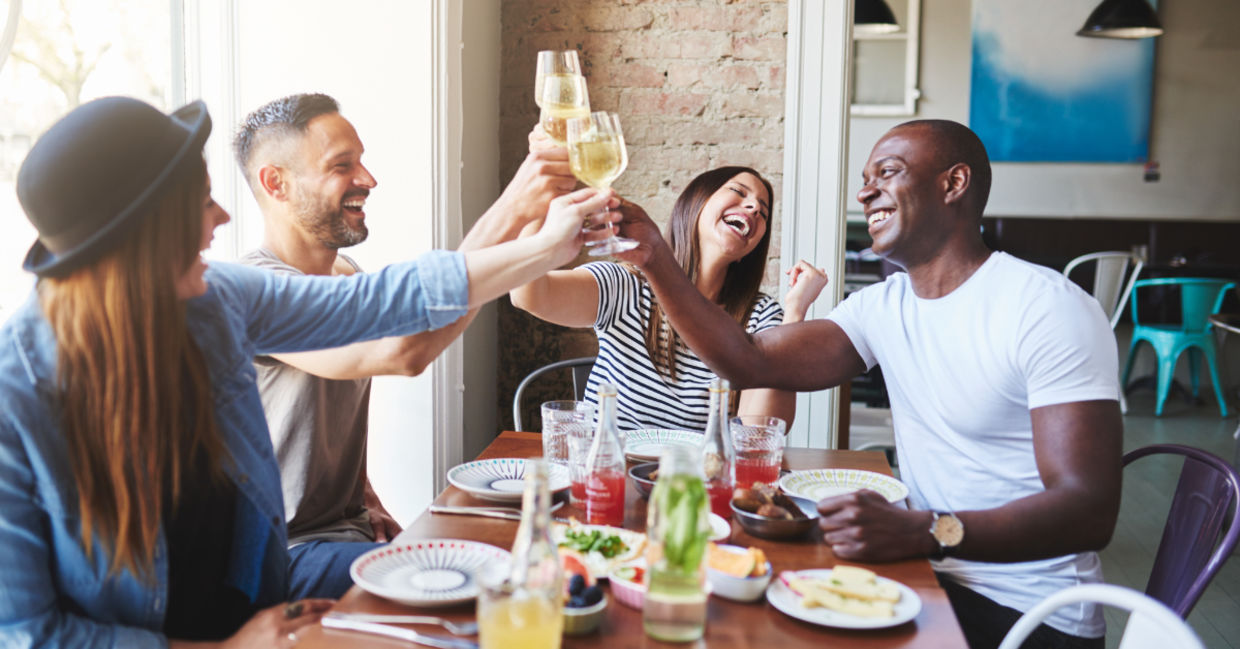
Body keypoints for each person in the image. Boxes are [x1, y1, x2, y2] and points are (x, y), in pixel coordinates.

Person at [0, 96, 612, 648]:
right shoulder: (14, 401)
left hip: (259, 602)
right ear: (143, 233)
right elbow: (32, 633)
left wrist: (543, 247)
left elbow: (387, 304)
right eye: (200, 199)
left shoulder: (215, 302)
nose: (221, 217)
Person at [608, 119, 1123, 649]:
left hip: (1029, 613)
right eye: (864, 177)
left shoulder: (1046, 308)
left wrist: (928, 530)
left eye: (888, 172)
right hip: (925, 572)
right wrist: (655, 257)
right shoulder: (884, 307)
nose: (864, 191)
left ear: (954, 184)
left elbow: (1089, 509)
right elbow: (749, 360)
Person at [230, 93, 576, 598]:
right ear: (275, 183)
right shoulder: (253, 291)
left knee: (521, 545)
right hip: (281, 552)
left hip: (338, 535)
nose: (368, 179)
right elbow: (403, 351)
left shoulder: (347, 275)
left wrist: (362, 496)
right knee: (498, 581)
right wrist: (517, 209)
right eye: (341, 166)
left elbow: (423, 325)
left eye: (362, 161)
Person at [511, 165, 828, 431]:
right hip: (605, 478)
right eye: (739, 192)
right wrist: (548, 191)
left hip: (693, 490)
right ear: (696, 203)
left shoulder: (761, 316)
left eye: (763, 209)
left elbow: (759, 433)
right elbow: (527, 294)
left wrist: (795, 314)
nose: (755, 207)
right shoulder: (626, 285)